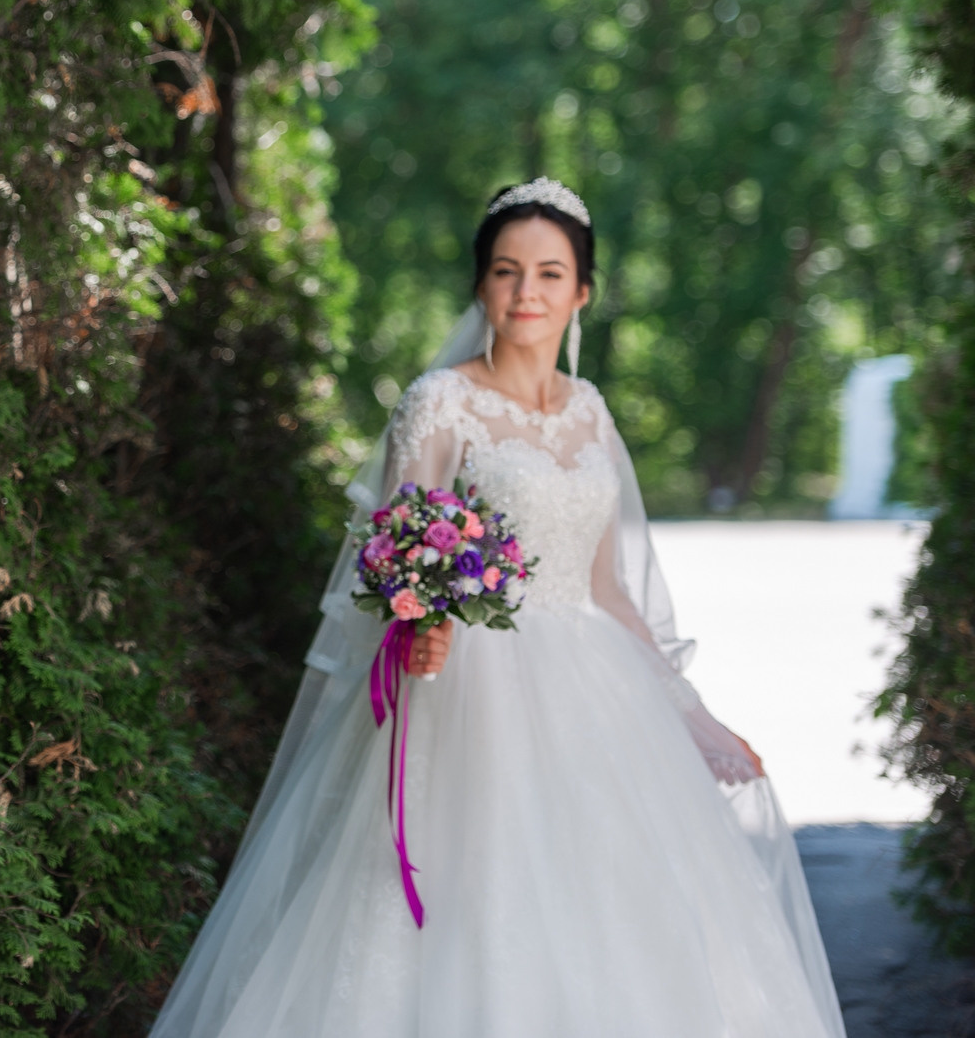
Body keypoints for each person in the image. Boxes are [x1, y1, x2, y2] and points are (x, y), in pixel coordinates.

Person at [149, 179, 844, 1037]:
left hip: (595, 694)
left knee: (610, 910)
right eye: (507, 270)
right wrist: (419, 623)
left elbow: (607, 589)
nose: (526, 292)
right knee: (466, 895)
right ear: (481, 284)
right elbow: (395, 551)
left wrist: (692, 713)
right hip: (464, 684)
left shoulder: (591, 412)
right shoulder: (440, 401)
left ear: (581, 291)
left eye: (550, 273)